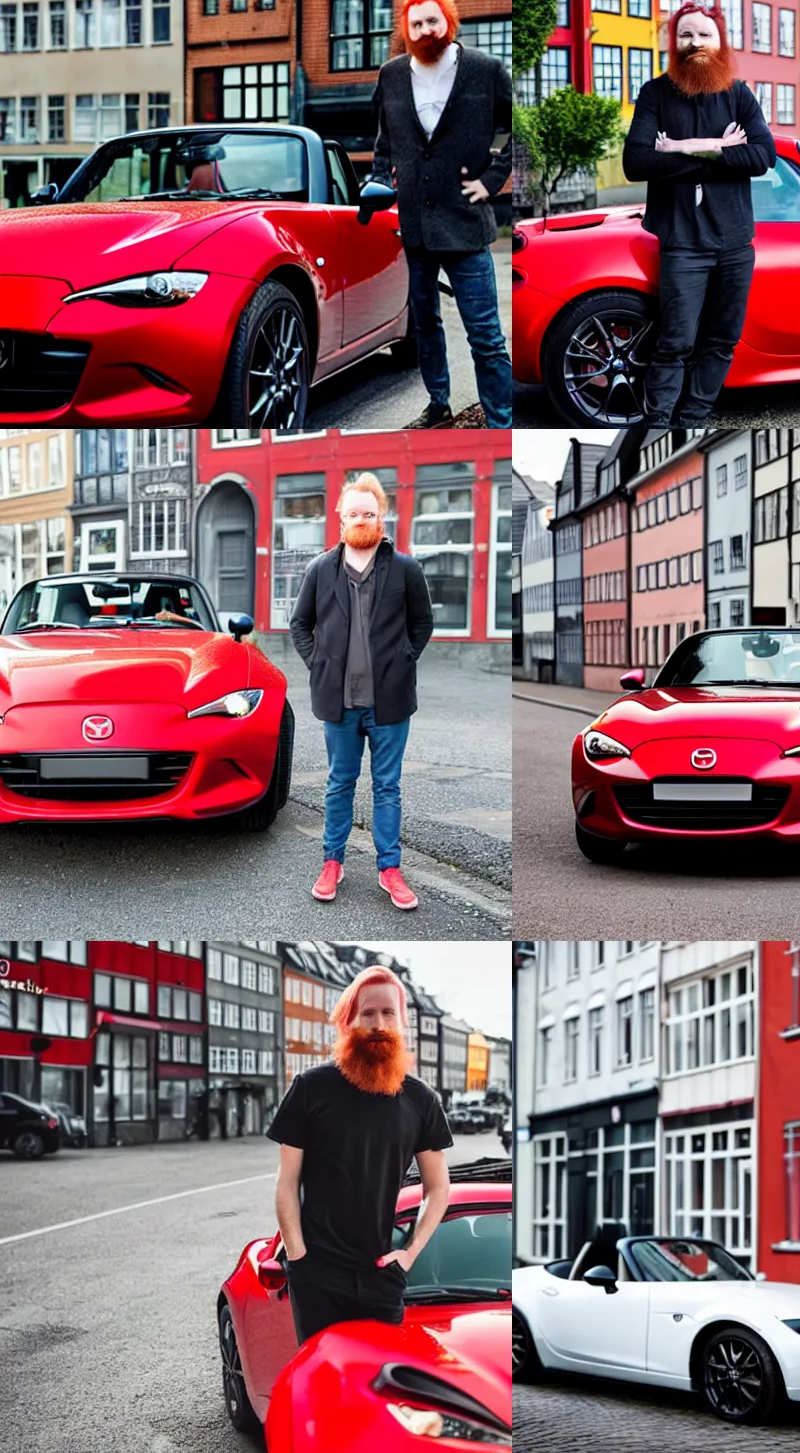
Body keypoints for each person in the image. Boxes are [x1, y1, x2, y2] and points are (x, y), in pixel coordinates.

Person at [268, 966, 454, 1343]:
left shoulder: (420, 1100)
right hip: (317, 1276)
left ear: (401, 1022)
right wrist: (298, 1256)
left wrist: (410, 1253)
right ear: (349, 1020)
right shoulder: (310, 1088)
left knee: (381, 1387)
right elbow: (286, 1182)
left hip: (382, 1275)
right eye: (368, 1013)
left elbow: (438, 1187)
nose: (379, 1024)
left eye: (389, 1014)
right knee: (323, 1386)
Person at [622, 3, 777, 430]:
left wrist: (679, 147)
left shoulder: (739, 94)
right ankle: (657, 423)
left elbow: (764, 156)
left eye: (704, 35)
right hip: (683, 243)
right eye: (686, 36)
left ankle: (692, 417)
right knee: (674, 342)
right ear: (674, 43)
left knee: (721, 341)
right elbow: (636, 163)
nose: (695, 44)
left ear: (720, 41)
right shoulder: (655, 93)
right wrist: (724, 149)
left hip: (733, 244)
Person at [288, 473, 436, 909]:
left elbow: (422, 623)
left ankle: (389, 869)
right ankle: (332, 861)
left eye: (368, 513)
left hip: (389, 701)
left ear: (381, 516)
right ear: (340, 517)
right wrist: (318, 663)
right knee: (339, 785)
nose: (361, 519)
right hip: (339, 701)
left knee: (387, 787)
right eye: (353, 513)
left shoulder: (406, 569)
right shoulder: (320, 569)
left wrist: (404, 658)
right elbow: (300, 624)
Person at [371, 0, 515, 429]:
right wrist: (378, 181)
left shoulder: (486, 71)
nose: (426, 30)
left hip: (466, 226)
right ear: (406, 30)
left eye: (433, 21)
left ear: (448, 22)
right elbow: (384, 144)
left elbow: (519, 132)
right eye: (417, 24)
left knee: (486, 336)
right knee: (425, 327)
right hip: (412, 228)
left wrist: (491, 182)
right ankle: (439, 404)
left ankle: (500, 419)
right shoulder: (392, 75)